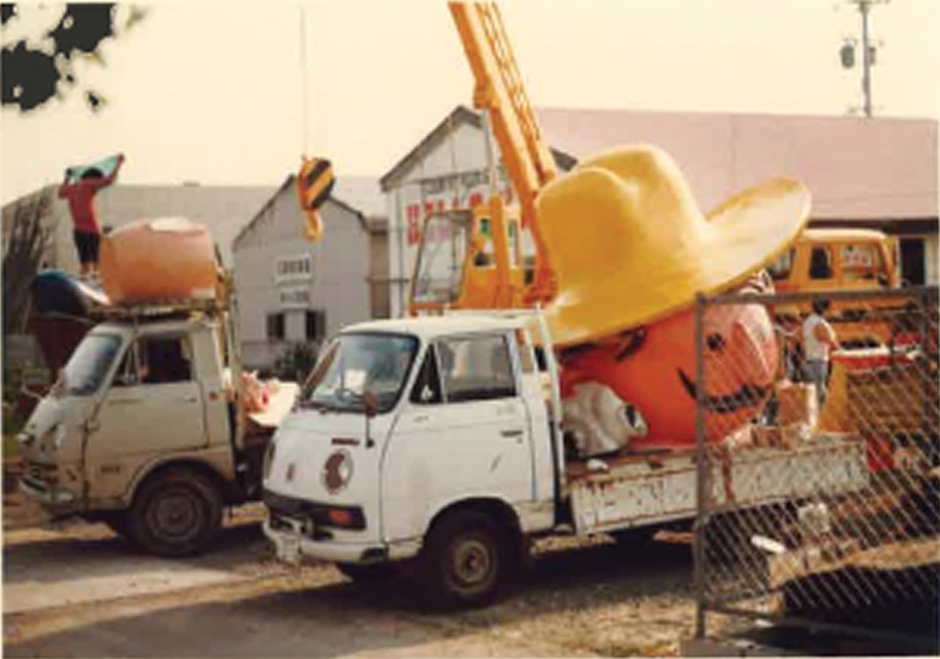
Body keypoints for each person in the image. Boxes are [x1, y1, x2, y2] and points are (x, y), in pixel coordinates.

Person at [58, 154, 125, 280]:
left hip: (78, 231)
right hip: (92, 230)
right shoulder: (89, 184)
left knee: (84, 263)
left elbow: (60, 194)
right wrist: (118, 164)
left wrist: (67, 178)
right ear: (94, 177)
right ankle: (97, 281)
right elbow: (109, 180)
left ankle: (86, 279)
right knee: (96, 263)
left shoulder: (72, 187)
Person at [802, 299, 839, 406]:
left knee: (813, 393)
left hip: (809, 359)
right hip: (819, 361)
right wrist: (840, 349)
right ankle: (822, 418)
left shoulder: (807, 322)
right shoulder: (819, 323)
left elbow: (802, 340)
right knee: (820, 394)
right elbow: (826, 339)